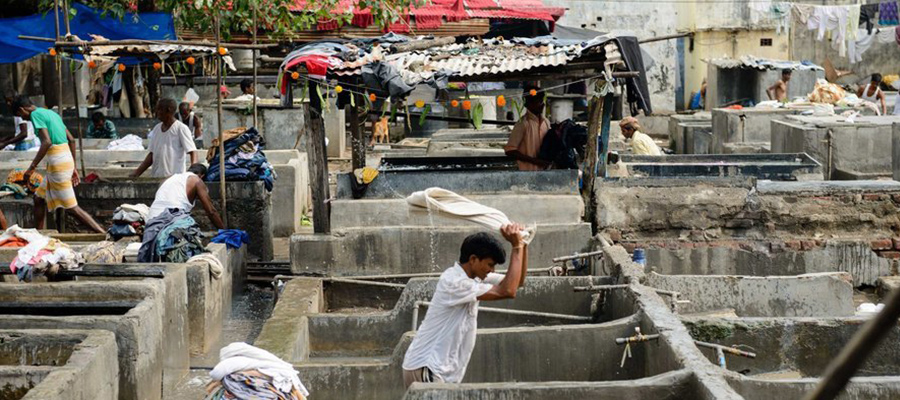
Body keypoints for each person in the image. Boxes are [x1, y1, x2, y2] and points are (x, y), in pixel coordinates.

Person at [402, 225, 528, 386]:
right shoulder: (454, 281)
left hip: (437, 369)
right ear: (473, 259)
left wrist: (524, 244)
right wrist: (516, 246)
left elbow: (517, 282)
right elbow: (508, 291)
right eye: (490, 264)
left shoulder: (475, 277)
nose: (492, 270)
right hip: (426, 367)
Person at [11, 95, 105, 233]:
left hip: (57, 163)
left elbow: (47, 142)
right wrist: (73, 167)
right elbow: (71, 140)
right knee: (38, 197)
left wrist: (31, 168)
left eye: (20, 115)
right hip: (64, 159)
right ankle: (39, 234)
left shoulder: (35, 115)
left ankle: (103, 234)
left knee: (72, 207)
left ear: (22, 110)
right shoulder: (51, 113)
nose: (23, 119)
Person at [132, 99, 198, 178]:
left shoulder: (181, 128)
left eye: (160, 109)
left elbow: (193, 151)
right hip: (157, 177)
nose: (157, 112)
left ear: (168, 110)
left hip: (174, 179)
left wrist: (193, 173)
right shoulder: (156, 129)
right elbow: (152, 154)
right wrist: (137, 173)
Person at [146, 163, 225, 229]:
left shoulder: (170, 178)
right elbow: (211, 211)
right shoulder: (196, 180)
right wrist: (224, 231)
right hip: (170, 222)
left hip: (151, 222)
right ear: (202, 176)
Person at [504, 85, 550, 170]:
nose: (542, 104)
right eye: (538, 101)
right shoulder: (522, 124)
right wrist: (535, 161)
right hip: (528, 172)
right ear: (529, 104)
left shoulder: (546, 122)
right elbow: (510, 150)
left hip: (544, 172)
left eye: (542, 101)